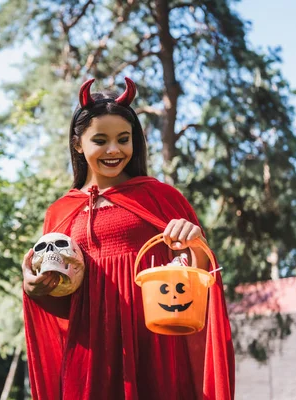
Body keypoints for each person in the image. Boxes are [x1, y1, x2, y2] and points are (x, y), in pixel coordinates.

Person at [21, 77, 235, 400]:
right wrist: (35, 290)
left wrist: (195, 247)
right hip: (91, 356)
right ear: (78, 144)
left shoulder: (161, 198)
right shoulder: (60, 212)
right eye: (100, 140)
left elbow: (197, 281)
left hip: (155, 347)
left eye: (124, 139)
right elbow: (66, 303)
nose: (114, 150)